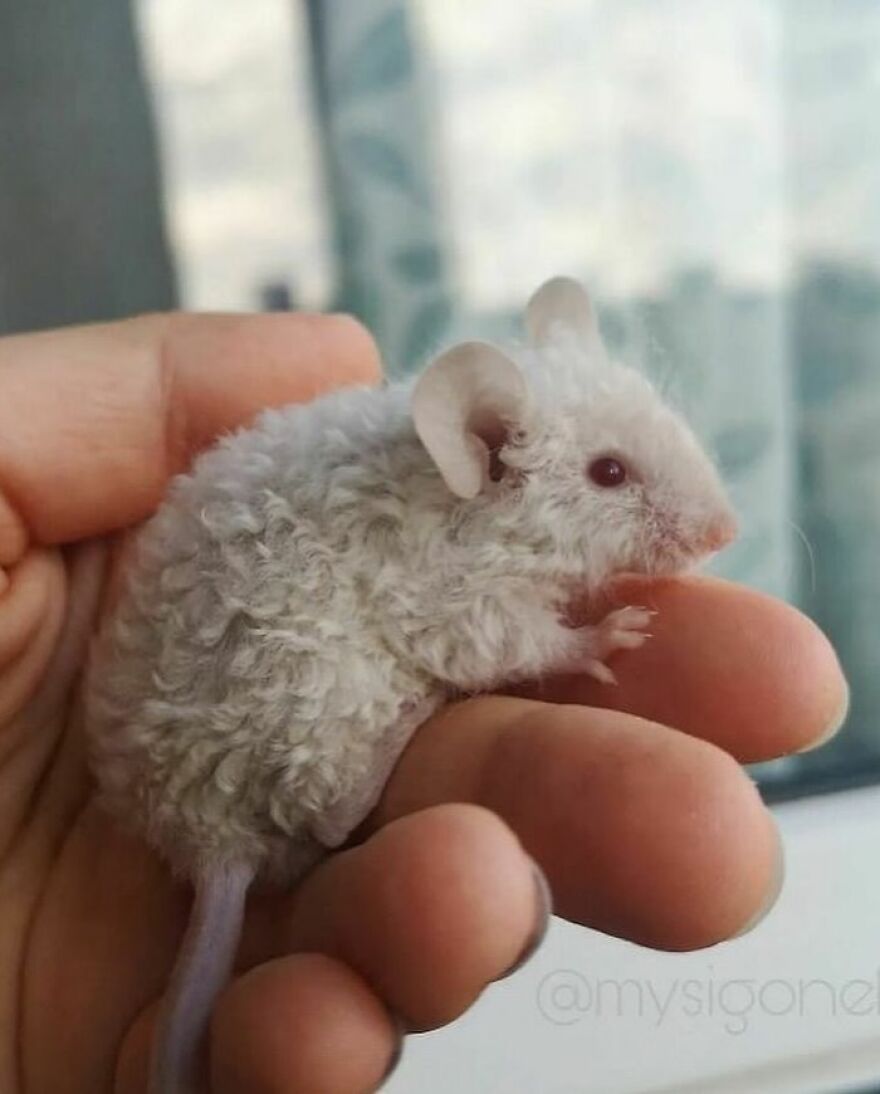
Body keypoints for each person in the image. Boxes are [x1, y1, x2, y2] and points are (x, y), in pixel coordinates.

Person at [0, 311, 847, 1093]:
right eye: (610, 475)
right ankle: (322, 801)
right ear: (483, 449)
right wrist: (571, 645)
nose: (705, 523)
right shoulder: (444, 527)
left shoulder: (400, 472)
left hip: (157, 774)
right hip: (259, 764)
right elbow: (456, 629)